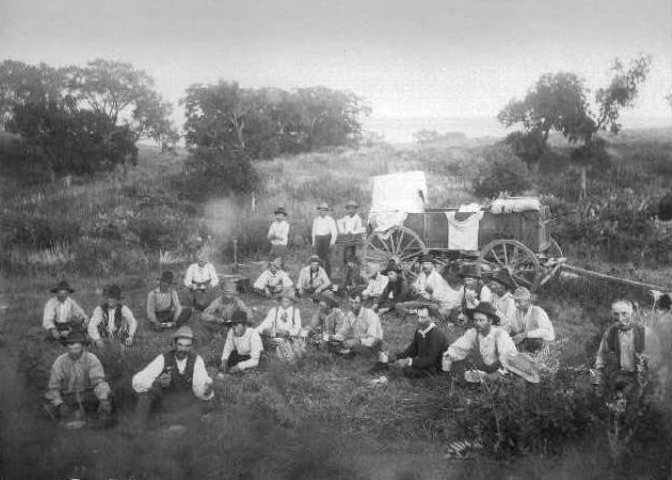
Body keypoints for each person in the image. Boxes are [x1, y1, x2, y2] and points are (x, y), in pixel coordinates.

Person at [442, 302, 539, 383]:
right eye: (475, 320)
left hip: (502, 373)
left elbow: (510, 363)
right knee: (458, 370)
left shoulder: (500, 335)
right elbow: (457, 348)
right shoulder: (473, 333)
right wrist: (449, 357)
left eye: (481, 320)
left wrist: (488, 376)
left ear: (490, 321)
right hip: (482, 370)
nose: (477, 323)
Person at [132, 326, 214, 421]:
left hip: (187, 402)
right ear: (174, 344)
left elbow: (200, 386)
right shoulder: (163, 359)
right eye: (180, 345)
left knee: (207, 405)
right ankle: (141, 427)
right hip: (167, 402)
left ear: (191, 347)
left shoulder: (196, 360)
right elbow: (137, 381)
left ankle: (176, 420)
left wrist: (206, 390)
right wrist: (157, 382)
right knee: (145, 396)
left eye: (187, 346)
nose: (183, 349)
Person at [593, 300, 665, 400]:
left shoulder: (646, 333)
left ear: (632, 313)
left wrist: (647, 362)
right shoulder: (610, 332)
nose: (620, 318)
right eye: (616, 314)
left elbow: (657, 358)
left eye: (624, 314)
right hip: (620, 376)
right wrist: (598, 377)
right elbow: (601, 355)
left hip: (641, 379)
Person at [44, 330, 112, 424]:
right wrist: (59, 404)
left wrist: (103, 398)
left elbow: (99, 383)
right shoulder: (60, 362)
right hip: (67, 398)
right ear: (66, 347)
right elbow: (53, 388)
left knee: (107, 402)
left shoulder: (91, 359)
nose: (73, 352)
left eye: (76, 349)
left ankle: (98, 425)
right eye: (70, 349)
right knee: (48, 409)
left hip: (89, 397)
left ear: (83, 347)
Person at [387, 307, 448, 378]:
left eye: (423, 318)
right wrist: (396, 357)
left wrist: (409, 361)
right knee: (394, 361)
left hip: (435, 368)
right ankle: (388, 363)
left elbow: (432, 359)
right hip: (423, 363)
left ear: (433, 319)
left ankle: (392, 369)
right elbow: (412, 350)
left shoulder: (436, 334)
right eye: (418, 317)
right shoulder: (419, 331)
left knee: (404, 369)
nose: (419, 320)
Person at [400, 254, 460, 319]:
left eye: (427, 264)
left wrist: (431, 292)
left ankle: (421, 311)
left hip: (439, 302)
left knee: (437, 311)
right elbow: (416, 285)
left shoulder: (436, 277)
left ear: (432, 265)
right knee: (400, 306)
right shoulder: (421, 274)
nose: (425, 266)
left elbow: (439, 296)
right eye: (423, 264)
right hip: (424, 300)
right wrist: (414, 288)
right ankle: (418, 310)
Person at [502, 287, 555, 353]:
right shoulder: (517, 312)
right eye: (515, 301)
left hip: (544, 343)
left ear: (528, 301)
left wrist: (524, 335)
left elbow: (545, 331)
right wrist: (505, 330)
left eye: (519, 302)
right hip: (528, 341)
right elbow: (511, 325)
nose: (516, 304)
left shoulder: (538, 311)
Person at [312, 202, 338, 278]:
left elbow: (334, 232)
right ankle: (319, 276)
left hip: (327, 240)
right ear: (319, 211)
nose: (322, 212)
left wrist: (332, 242)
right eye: (320, 210)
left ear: (327, 211)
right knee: (318, 259)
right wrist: (314, 243)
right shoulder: (316, 220)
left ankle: (328, 277)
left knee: (327, 260)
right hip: (318, 240)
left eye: (324, 210)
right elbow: (313, 232)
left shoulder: (330, 220)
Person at [337, 200, 366, 265]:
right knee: (346, 251)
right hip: (347, 237)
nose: (351, 211)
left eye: (352, 209)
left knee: (352, 251)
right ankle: (346, 263)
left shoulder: (357, 218)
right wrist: (342, 231)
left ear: (355, 210)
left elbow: (360, 228)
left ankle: (354, 263)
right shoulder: (346, 217)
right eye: (349, 209)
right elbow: (339, 222)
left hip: (354, 237)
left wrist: (353, 232)